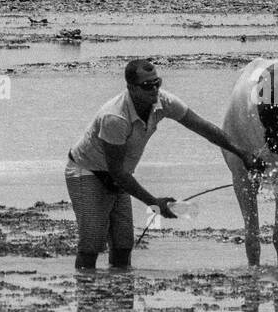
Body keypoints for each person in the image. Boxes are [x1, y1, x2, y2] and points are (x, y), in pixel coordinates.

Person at [65, 59, 262, 272]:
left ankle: (119, 299)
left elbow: (204, 128)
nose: (155, 90)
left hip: (120, 175)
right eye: (147, 86)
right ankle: (86, 294)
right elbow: (117, 172)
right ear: (131, 88)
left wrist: (242, 153)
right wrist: (155, 204)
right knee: (92, 243)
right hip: (88, 172)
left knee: (123, 245)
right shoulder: (115, 117)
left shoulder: (163, 101)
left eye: (157, 82)